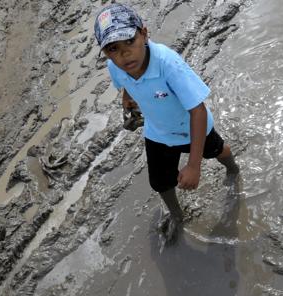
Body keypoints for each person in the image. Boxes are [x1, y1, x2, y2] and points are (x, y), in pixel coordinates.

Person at [94, 3, 239, 243]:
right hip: (158, 133)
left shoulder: (168, 65)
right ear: (107, 53)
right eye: (113, 48)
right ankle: (177, 214)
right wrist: (128, 99)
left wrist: (194, 166)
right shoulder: (115, 67)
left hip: (193, 130)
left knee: (217, 149)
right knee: (160, 182)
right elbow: (124, 83)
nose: (124, 54)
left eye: (129, 41)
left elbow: (198, 111)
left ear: (144, 33)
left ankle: (233, 169)